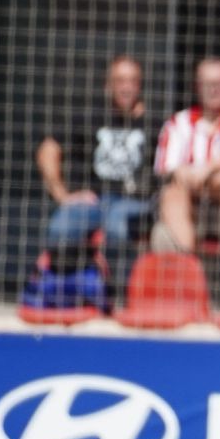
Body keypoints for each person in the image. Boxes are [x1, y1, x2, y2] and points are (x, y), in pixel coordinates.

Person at [35, 55, 157, 303]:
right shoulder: (89, 117)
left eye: (133, 81)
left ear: (140, 86)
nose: (126, 87)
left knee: (118, 226)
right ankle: (74, 295)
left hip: (135, 203)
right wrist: (62, 195)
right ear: (108, 85)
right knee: (60, 228)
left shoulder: (154, 123)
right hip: (91, 200)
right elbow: (47, 150)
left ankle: (122, 301)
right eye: (120, 80)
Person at [152, 57, 220, 254]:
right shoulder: (178, 123)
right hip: (189, 203)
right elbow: (172, 172)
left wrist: (206, 170)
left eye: (219, 83)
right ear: (197, 86)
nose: (214, 89)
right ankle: (190, 261)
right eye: (208, 84)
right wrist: (212, 173)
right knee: (171, 193)